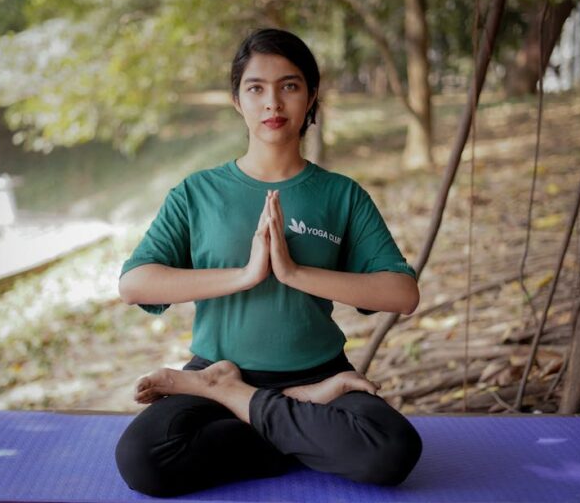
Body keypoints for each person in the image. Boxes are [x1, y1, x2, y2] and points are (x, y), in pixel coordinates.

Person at [114, 27, 422, 498]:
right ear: (237, 100)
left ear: (311, 96)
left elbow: (402, 293)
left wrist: (295, 273)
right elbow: (136, 283)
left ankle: (241, 397)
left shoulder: (341, 195)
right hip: (214, 364)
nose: (272, 103)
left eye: (289, 86)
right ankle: (292, 416)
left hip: (319, 372)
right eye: (255, 88)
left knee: (392, 450)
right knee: (144, 460)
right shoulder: (198, 193)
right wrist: (245, 275)